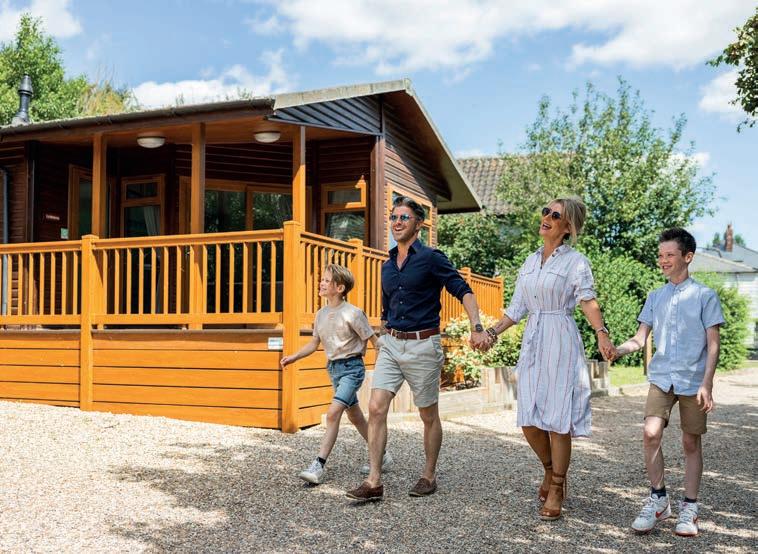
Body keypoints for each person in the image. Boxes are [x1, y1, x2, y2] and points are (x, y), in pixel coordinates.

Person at [346, 195, 490, 501]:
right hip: (392, 344)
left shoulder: (432, 258)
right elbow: (387, 307)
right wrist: (381, 335)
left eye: (404, 218)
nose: (397, 222)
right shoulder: (387, 265)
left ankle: (428, 475)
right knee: (376, 407)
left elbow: (463, 291)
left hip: (423, 345)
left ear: (419, 224)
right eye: (394, 217)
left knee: (427, 414)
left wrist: (476, 327)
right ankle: (374, 481)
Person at [481, 196, 614, 520]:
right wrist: (492, 333)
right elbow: (517, 308)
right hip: (534, 340)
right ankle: (550, 469)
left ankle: (556, 487)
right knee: (528, 418)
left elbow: (587, 300)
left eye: (556, 215)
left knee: (557, 419)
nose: (547, 217)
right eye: (546, 211)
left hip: (561, 338)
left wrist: (601, 333)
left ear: (567, 227)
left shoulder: (576, 262)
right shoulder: (529, 261)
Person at [611, 228, 723, 537]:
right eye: (660, 255)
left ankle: (690, 508)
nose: (663, 260)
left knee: (690, 442)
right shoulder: (655, 296)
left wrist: (707, 384)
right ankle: (659, 499)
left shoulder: (705, 296)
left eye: (669, 255)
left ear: (688, 257)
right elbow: (640, 338)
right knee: (650, 433)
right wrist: (618, 350)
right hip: (661, 378)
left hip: (693, 380)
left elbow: (713, 344)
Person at [281, 264, 379, 485]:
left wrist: (383, 368)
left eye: (326, 280)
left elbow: (374, 341)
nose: (321, 283)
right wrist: (294, 357)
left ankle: (318, 465)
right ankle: (381, 455)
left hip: (352, 369)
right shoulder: (321, 314)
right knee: (355, 416)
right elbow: (314, 343)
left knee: (333, 413)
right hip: (333, 369)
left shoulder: (353, 313)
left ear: (340, 288)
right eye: (322, 279)